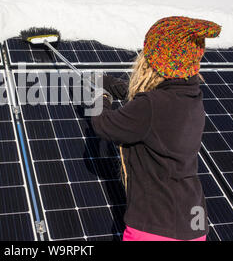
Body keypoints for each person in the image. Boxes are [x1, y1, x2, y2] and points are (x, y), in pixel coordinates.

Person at [91, 16, 222, 241]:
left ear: (154, 58)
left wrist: (99, 95)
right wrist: (117, 86)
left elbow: (103, 125)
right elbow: (154, 105)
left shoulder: (151, 106)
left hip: (156, 227)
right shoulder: (192, 98)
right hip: (194, 221)